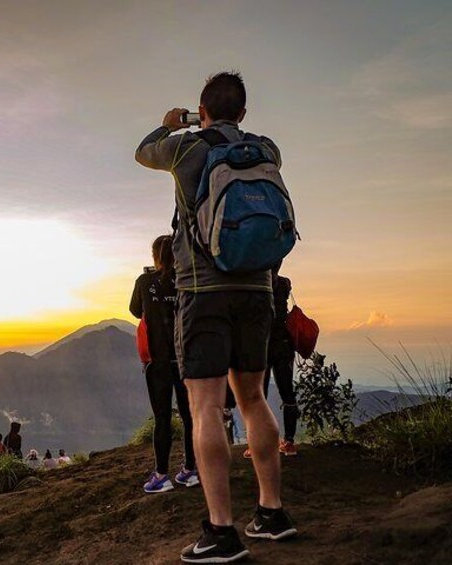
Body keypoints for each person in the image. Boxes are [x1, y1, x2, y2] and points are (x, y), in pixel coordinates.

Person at [136, 71, 297, 563]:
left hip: (203, 291)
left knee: (206, 406)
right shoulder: (265, 148)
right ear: (243, 113)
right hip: (257, 290)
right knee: (252, 397)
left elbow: (145, 150)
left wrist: (170, 126)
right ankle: (271, 512)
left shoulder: (186, 149)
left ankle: (221, 531)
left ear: (200, 111)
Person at [130, 234, 199, 493]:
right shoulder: (186, 280)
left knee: (162, 418)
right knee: (189, 415)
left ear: (156, 257)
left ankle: (161, 475)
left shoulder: (145, 281)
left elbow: (136, 310)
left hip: (157, 361)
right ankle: (190, 470)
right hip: (185, 358)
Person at [266, 267, 300, 457]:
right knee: (288, 393)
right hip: (284, 345)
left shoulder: (258, 284)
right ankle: (289, 441)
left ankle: (257, 443)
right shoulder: (284, 283)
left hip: (263, 345)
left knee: (258, 396)